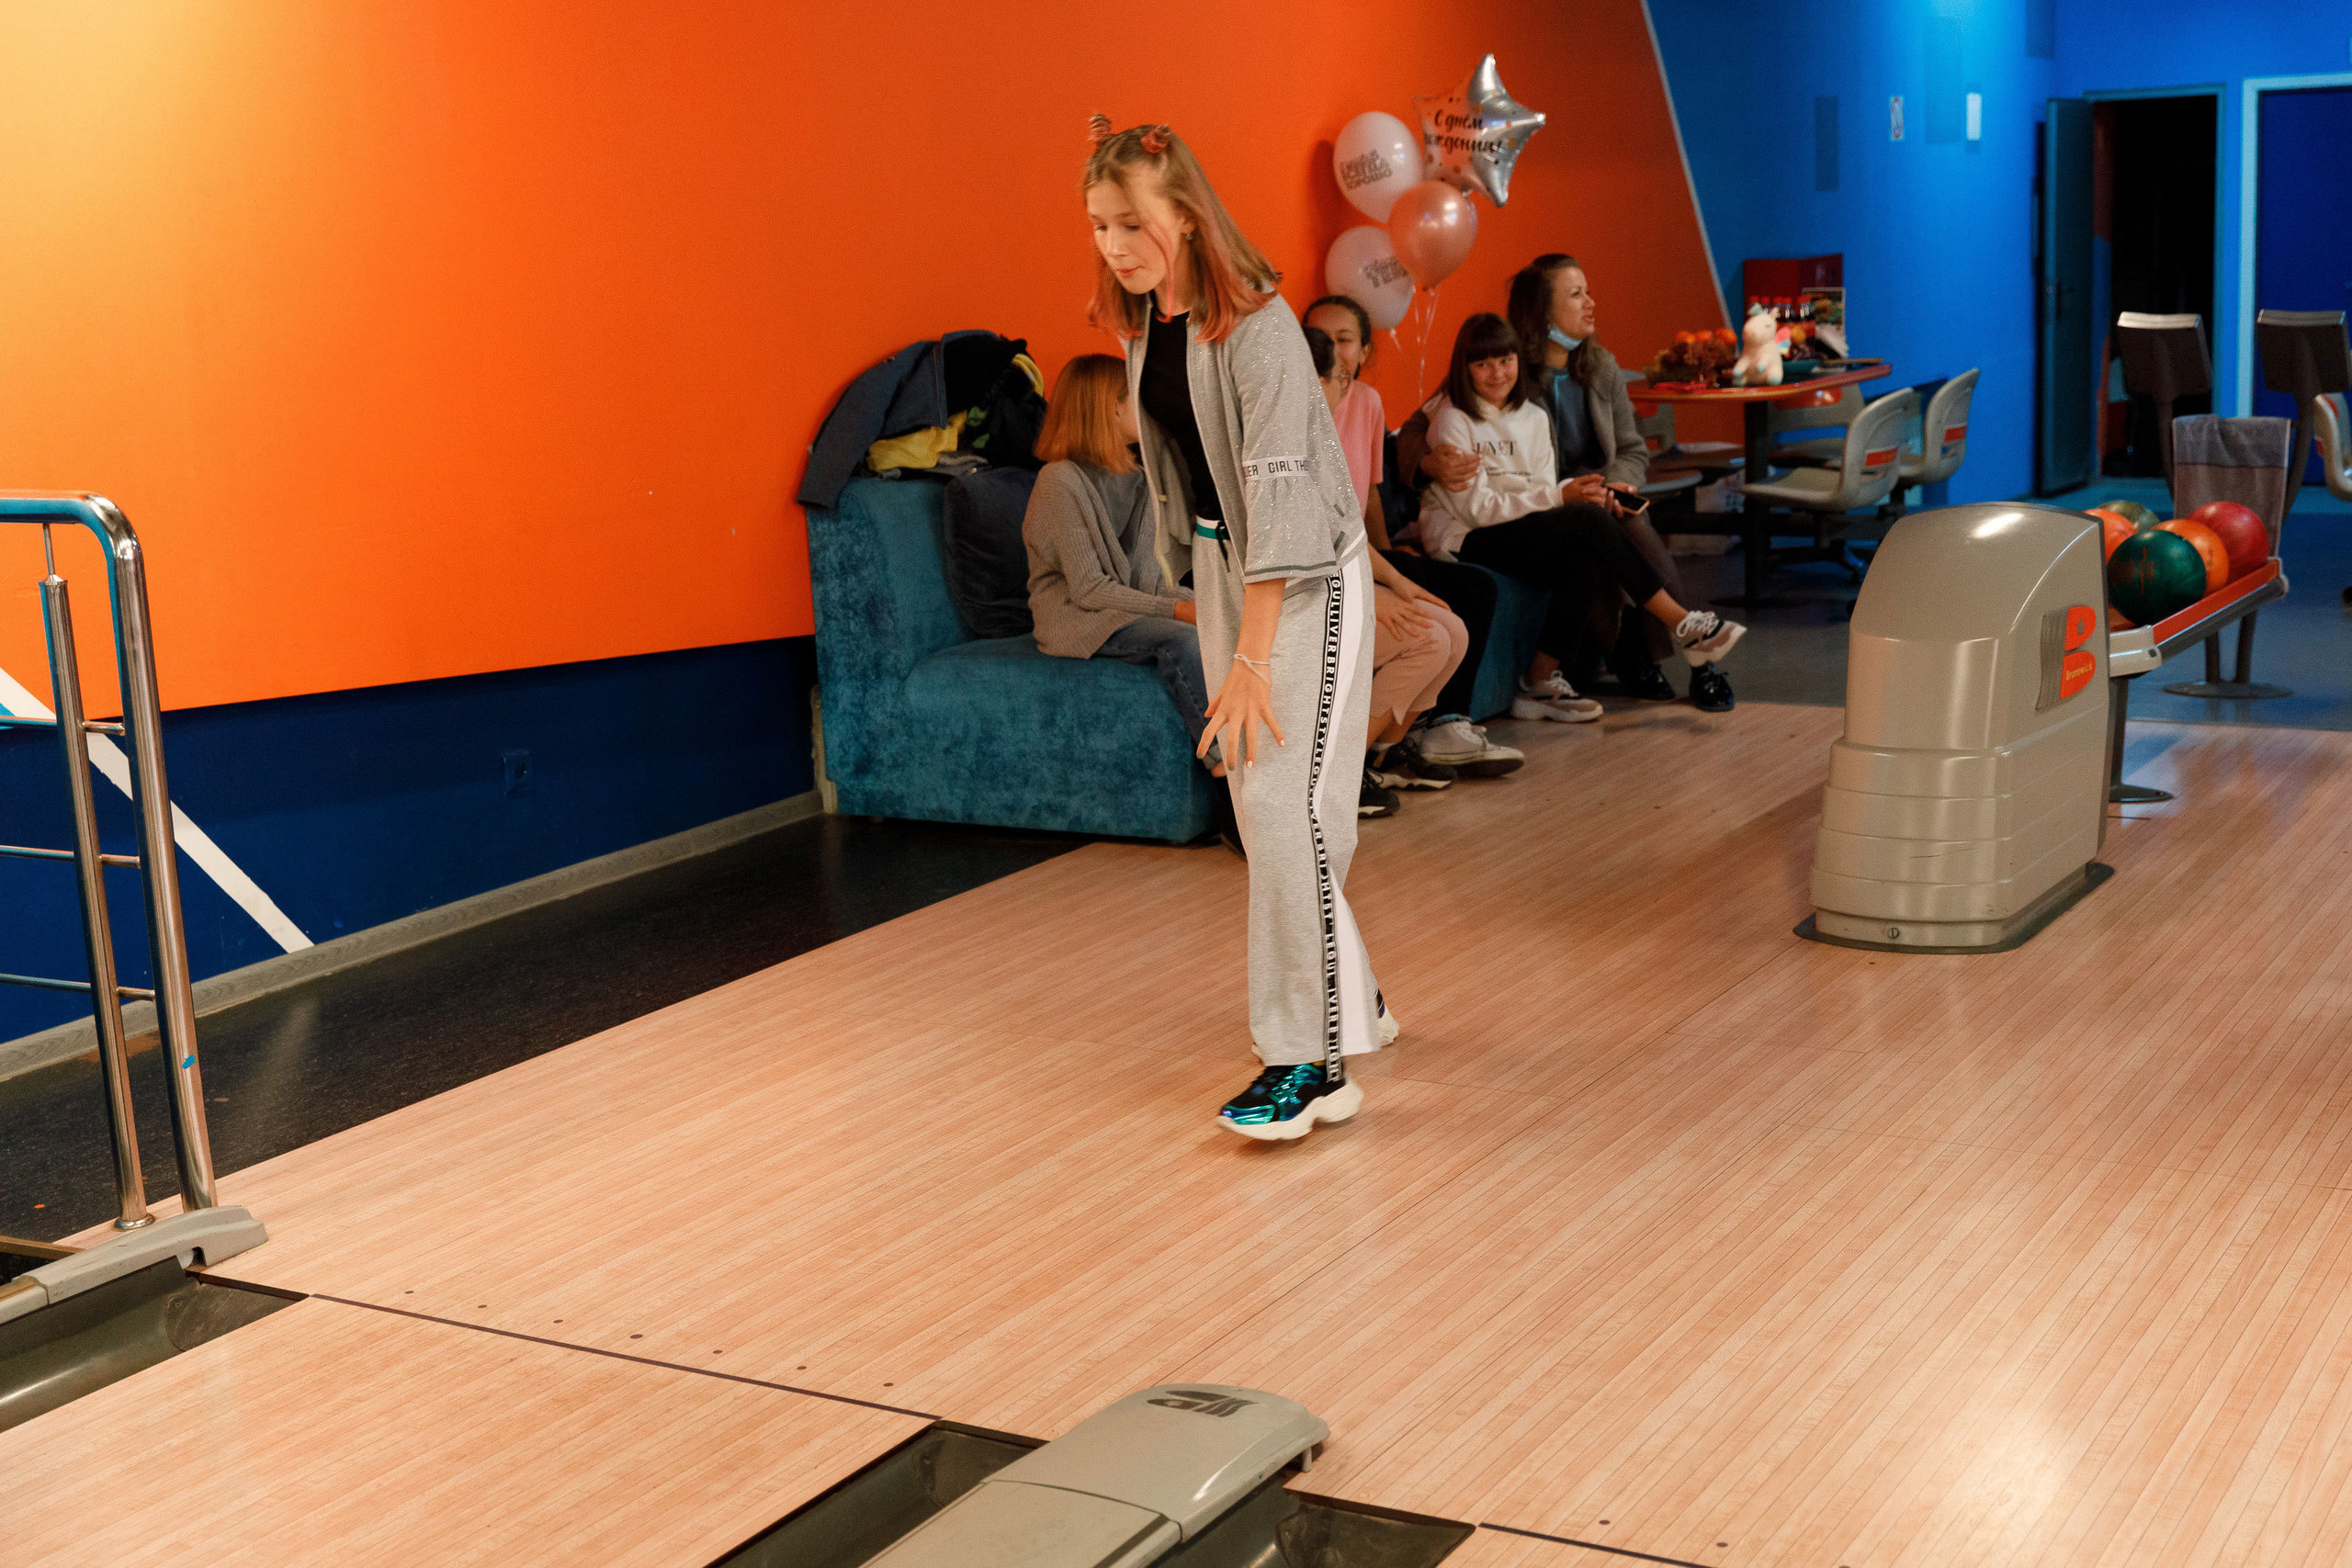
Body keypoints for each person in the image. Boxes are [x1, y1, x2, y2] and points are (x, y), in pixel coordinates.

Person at [1084, 116, 1390, 1141]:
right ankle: (1355, 996)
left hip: (1304, 579)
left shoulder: (1255, 330)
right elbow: (1196, 488)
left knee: (1275, 803)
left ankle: (1310, 1060)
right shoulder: (1146, 326)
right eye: (1096, 225)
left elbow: (1288, 505)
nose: (1114, 245)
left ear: (1185, 211)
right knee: (1285, 806)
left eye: (1130, 221)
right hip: (1228, 568)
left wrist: (1252, 659)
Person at [1399, 254, 1737, 712]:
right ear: (1543, 310)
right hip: (1541, 505)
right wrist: (1429, 464)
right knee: (1590, 528)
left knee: (1627, 522)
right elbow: (1424, 423)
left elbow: (1632, 448)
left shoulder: (1601, 367)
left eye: (1588, 291)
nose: (1590, 303)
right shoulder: (1504, 363)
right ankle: (1666, 649)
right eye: (1576, 294)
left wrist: (1618, 484)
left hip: (1581, 496)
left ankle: (1674, 658)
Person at [1302, 294, 1523, 782]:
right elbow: (1311, 542)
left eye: (1344, 341)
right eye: (1322, 342)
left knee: (1459, 612)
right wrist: (1373, 587)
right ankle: (1337, 772)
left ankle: (1407, 739)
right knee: (1431, 632)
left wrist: (1389, 562)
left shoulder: (1366, 402)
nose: (1335, 354)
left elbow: (1370, 497)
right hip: (1325, 574)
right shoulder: (1300, 424)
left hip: (1360, 553)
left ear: (1363, 350)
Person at [1303, 324, 1466, 818]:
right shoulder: (1288, 452)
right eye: (1335, 379)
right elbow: (1309, 555)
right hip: (1308, 601)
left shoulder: (1325, 441)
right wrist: (1368, 597)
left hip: (1344, 582)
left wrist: (1399, 582)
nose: (1343, 389)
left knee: (1453, 630)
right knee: (1429, 640)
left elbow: (1348, 535)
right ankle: (1336, 772)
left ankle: (1381, 754)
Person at [1023, 354, 1207, 746]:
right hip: (1077, 619)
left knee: (1232, 624)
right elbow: (1089, 590)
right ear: (1111, 407)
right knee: (1187, 640)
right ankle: (1225, 759)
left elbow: (1148, 583)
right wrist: (1179, 611)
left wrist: (1204, 607)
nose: (1147, 408)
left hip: (1125, 611)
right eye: (1136, 397)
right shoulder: (1058, 481)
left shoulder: (1139, 480)